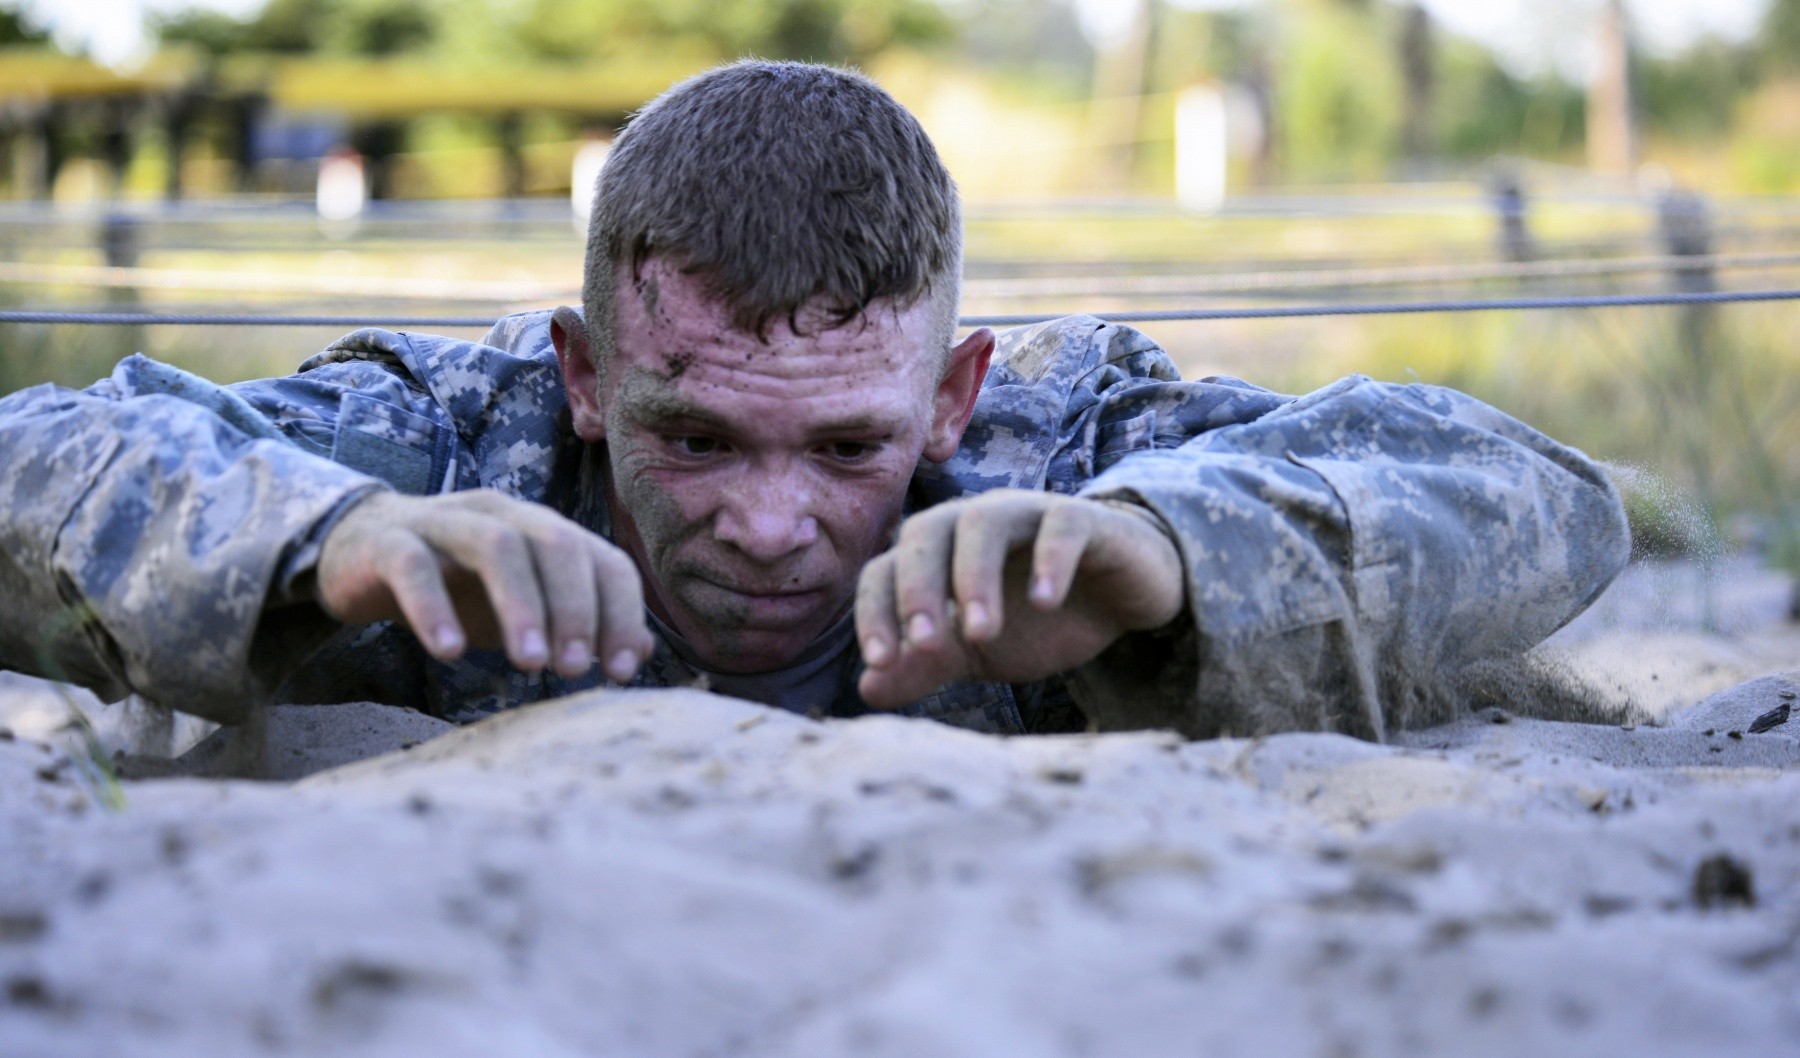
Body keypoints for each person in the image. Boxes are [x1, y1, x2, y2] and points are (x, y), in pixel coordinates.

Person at [0, 61, 1629, 740]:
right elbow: (35, 453)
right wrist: (334, 542)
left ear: (950, 394)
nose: (770, 525)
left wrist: (1162, 558)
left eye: (847, 443)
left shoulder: (1046, 445)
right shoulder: (453, 433)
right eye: (691, 435)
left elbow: (1540, 492)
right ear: (584, 373)